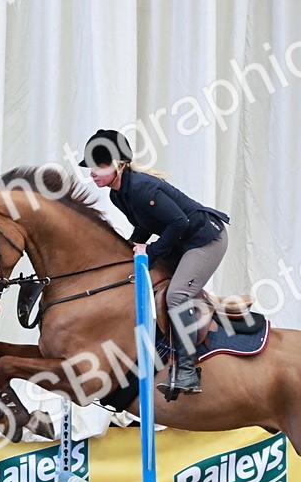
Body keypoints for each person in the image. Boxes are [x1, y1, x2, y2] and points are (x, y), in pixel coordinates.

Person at [79, 129, 231, 398]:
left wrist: (149, 252)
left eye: (99, 166)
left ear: (118, 165)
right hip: (182, 240)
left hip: (204, 240)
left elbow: (179, 223)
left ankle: (187, 371)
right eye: (91, 166)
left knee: (176, 296)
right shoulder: (118, 195)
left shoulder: (140, 188)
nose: (92, 172)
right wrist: (126, 252)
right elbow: (144, 224)